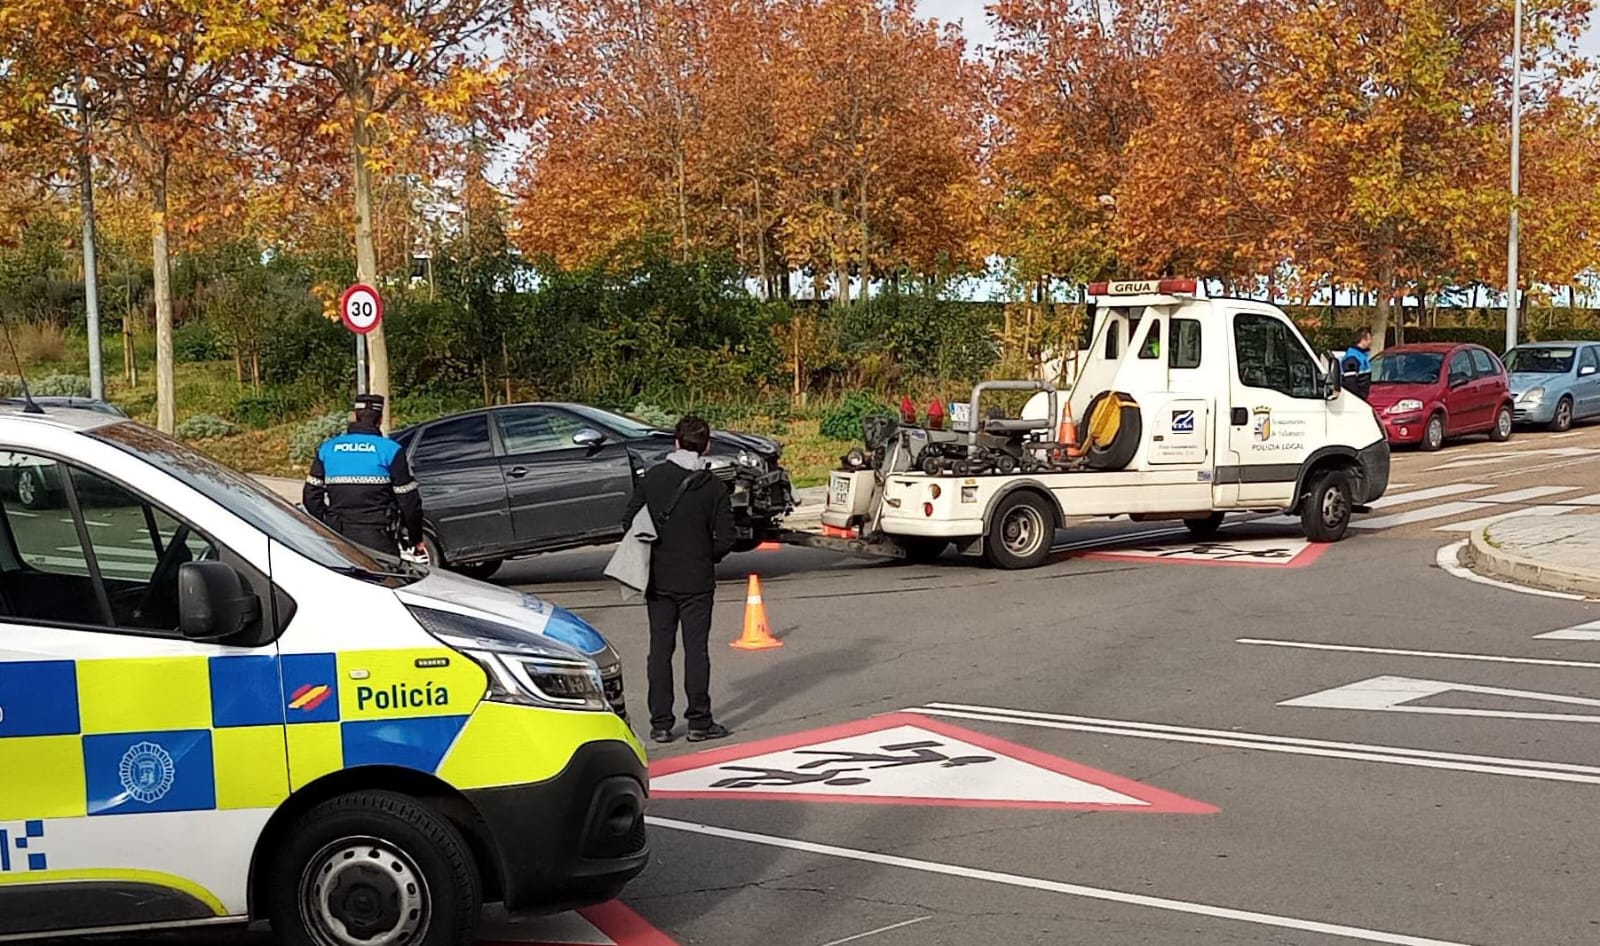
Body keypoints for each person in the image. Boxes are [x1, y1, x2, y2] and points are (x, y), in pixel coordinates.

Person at [623, 415, 736, 745]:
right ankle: (699, 720)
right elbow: (727, 537)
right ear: (707, 446)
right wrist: (706, 553)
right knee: (696, 650)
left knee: (659, 650)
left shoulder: (653, 479)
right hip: (697, 580)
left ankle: (660, 723)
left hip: (659, 578)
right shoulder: (713, 487)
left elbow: (628, 521)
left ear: (675, 443)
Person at [303, 393, 424, 556]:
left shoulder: (328, 448)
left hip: (338, 537)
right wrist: (416, 537)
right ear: (380, 419)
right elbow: (408, 500)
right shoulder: (390, 450)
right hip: (378, 537)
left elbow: (310, 495)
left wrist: (328, 523)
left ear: (355, 415)